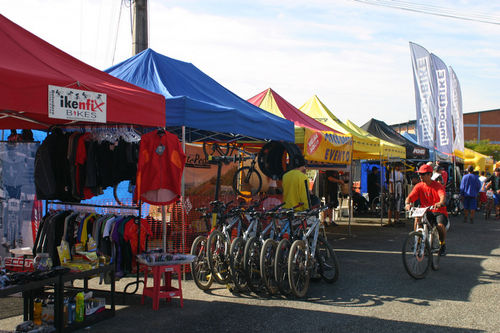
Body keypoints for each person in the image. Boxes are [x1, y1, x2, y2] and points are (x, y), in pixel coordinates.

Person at [404, 164, 449, 256]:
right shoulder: (419, 186)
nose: (420, 176)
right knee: (417, 219)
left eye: (423, 174)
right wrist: (407, 204)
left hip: (438, 211)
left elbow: (442, 196)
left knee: (440, 226)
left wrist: (440, 203)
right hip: (425, 210)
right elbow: (410, 197)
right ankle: (418, 240)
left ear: (430, 175)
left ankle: (442, 244)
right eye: (420, 174)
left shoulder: (437, 186)